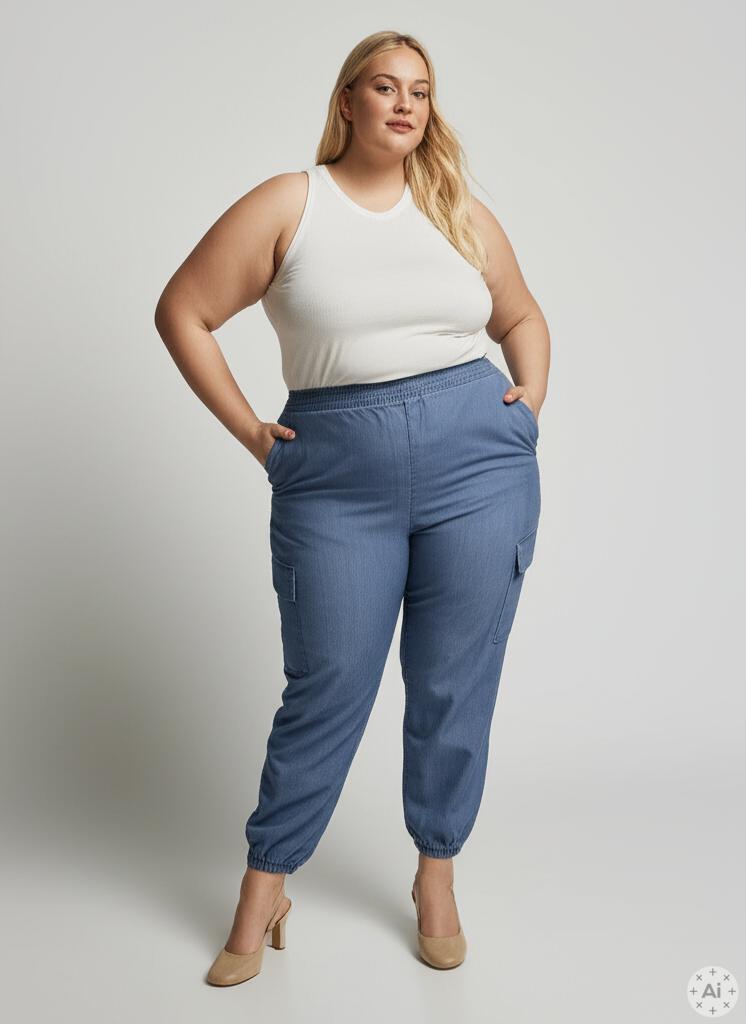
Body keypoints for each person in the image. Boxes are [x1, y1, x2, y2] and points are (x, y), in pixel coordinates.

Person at [154, 30, 550, 986]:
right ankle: (264, 885)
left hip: (477, 470)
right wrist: (254, 433)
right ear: (348, 101)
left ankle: (436, 873)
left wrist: (525, 410)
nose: (405, 104)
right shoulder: (291, 203)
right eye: (385, 86)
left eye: (420, 90)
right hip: (335, 479)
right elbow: (183, 310)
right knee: (328, 682)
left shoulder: (457, 210)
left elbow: (521, 315)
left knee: (455, 681)